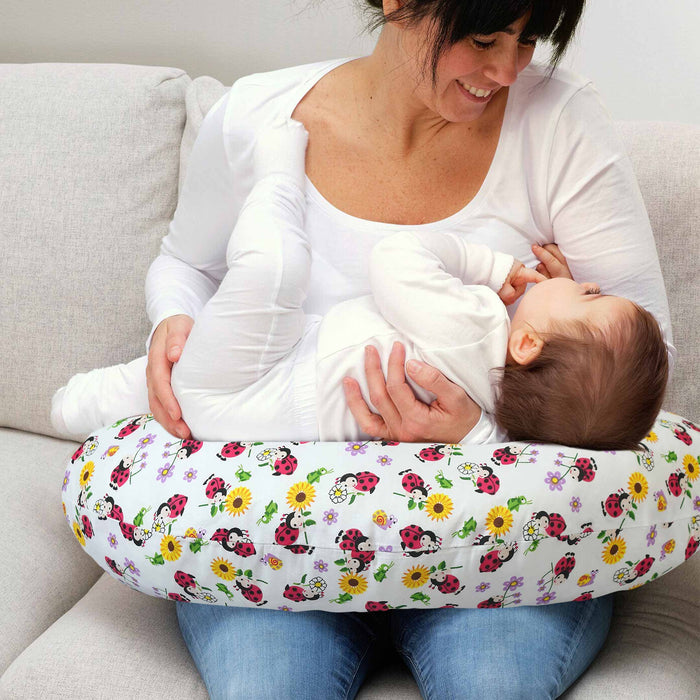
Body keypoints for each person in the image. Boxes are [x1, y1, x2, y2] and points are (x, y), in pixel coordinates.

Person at [77, 1, 681, 697]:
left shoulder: (559, 121)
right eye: (484, 36)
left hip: (487, 545)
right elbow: (184, 263)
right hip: (279, 531)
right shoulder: (258, 115)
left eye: (530, 38)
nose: (509, 68)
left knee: (491, 683)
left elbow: (639, 358)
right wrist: (172, 323)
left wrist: (478, 431)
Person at [52, 119, 668, 452]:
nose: (584, 280)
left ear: (528, 345)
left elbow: (397, 258)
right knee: (155, 388)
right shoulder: (508, 423)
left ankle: (277, 169)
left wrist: (489, 268)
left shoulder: (477, 323)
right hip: (259, 410)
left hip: (261, 372)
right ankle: (72, 408)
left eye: (589, 294)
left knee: (274, 272)